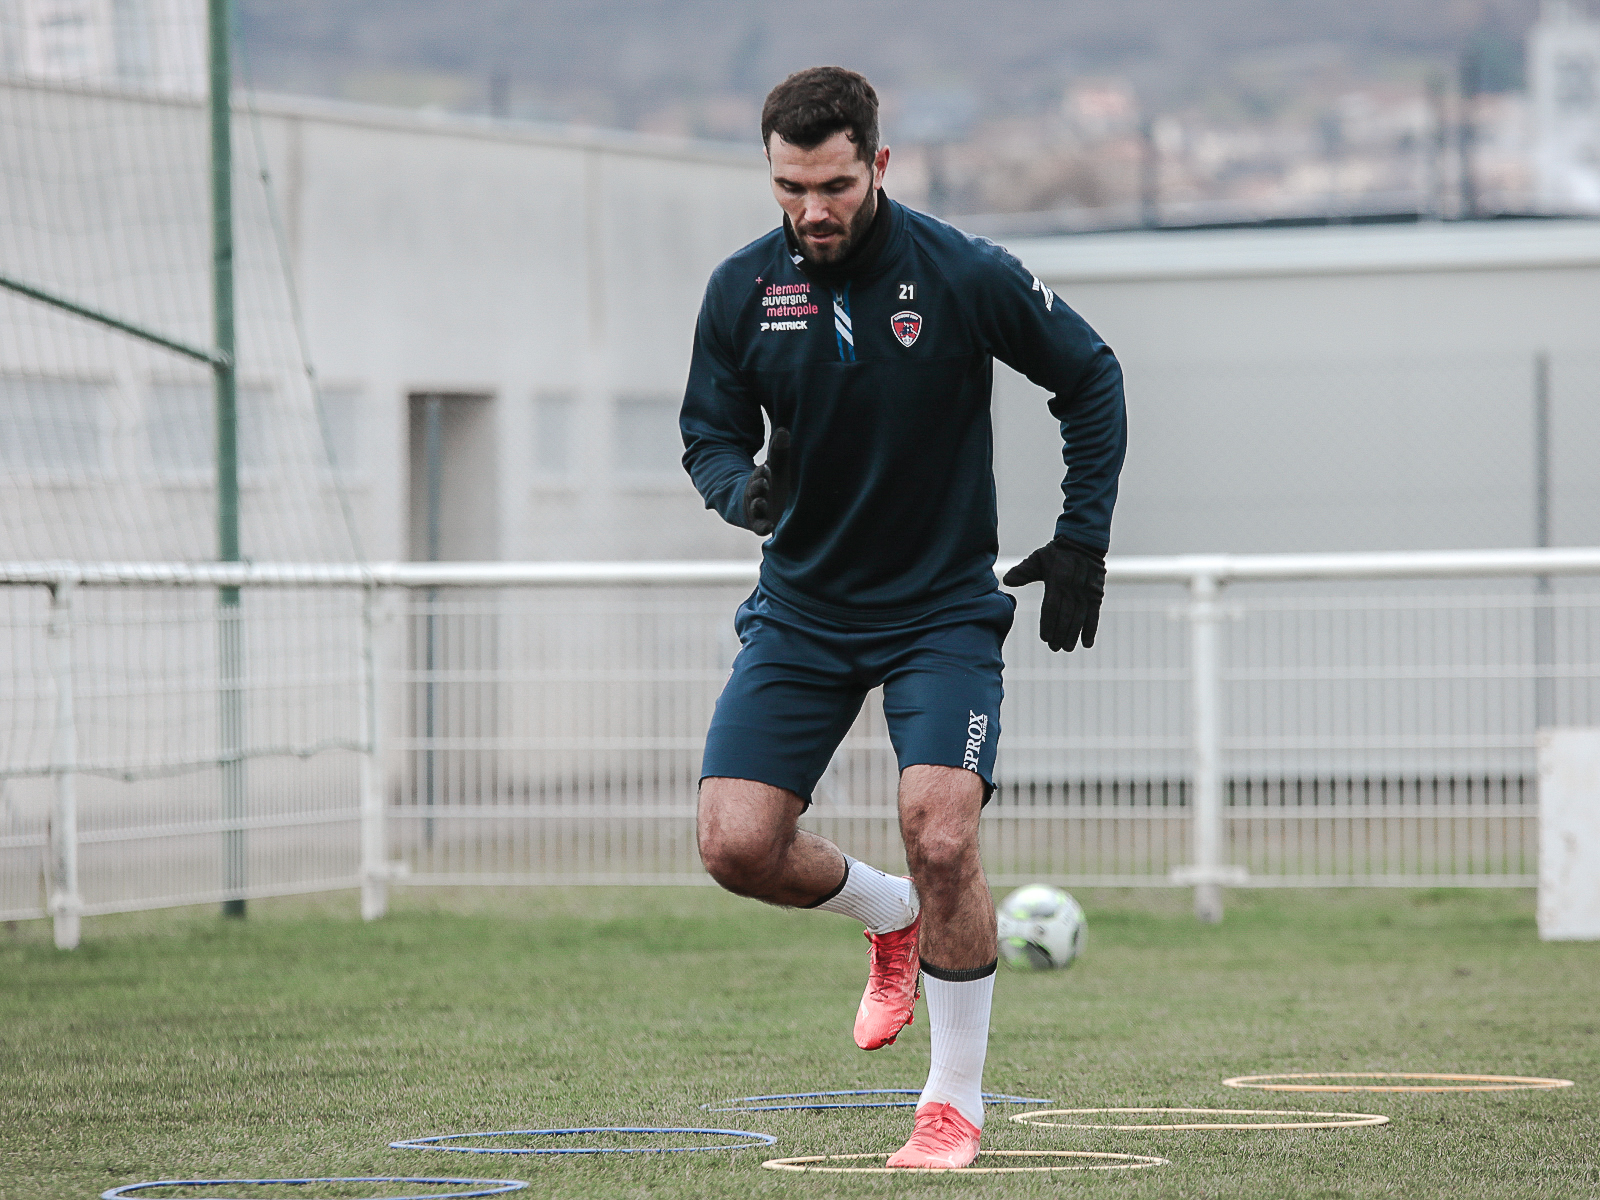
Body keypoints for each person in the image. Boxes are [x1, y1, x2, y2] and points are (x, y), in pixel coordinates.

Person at [679, 66, 1126, 1170]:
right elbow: (709, 435)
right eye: (789, 187)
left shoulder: (961, 272)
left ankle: (952, 1102)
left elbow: (1091, 376)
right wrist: (745, 493)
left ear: (877, 165)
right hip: (802, 613)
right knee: (735, 847)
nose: (810, 210)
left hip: (937, 610)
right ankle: (888, 915)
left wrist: (1083, 536)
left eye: (831, 185)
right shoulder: (742, 288)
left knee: (940, 827)